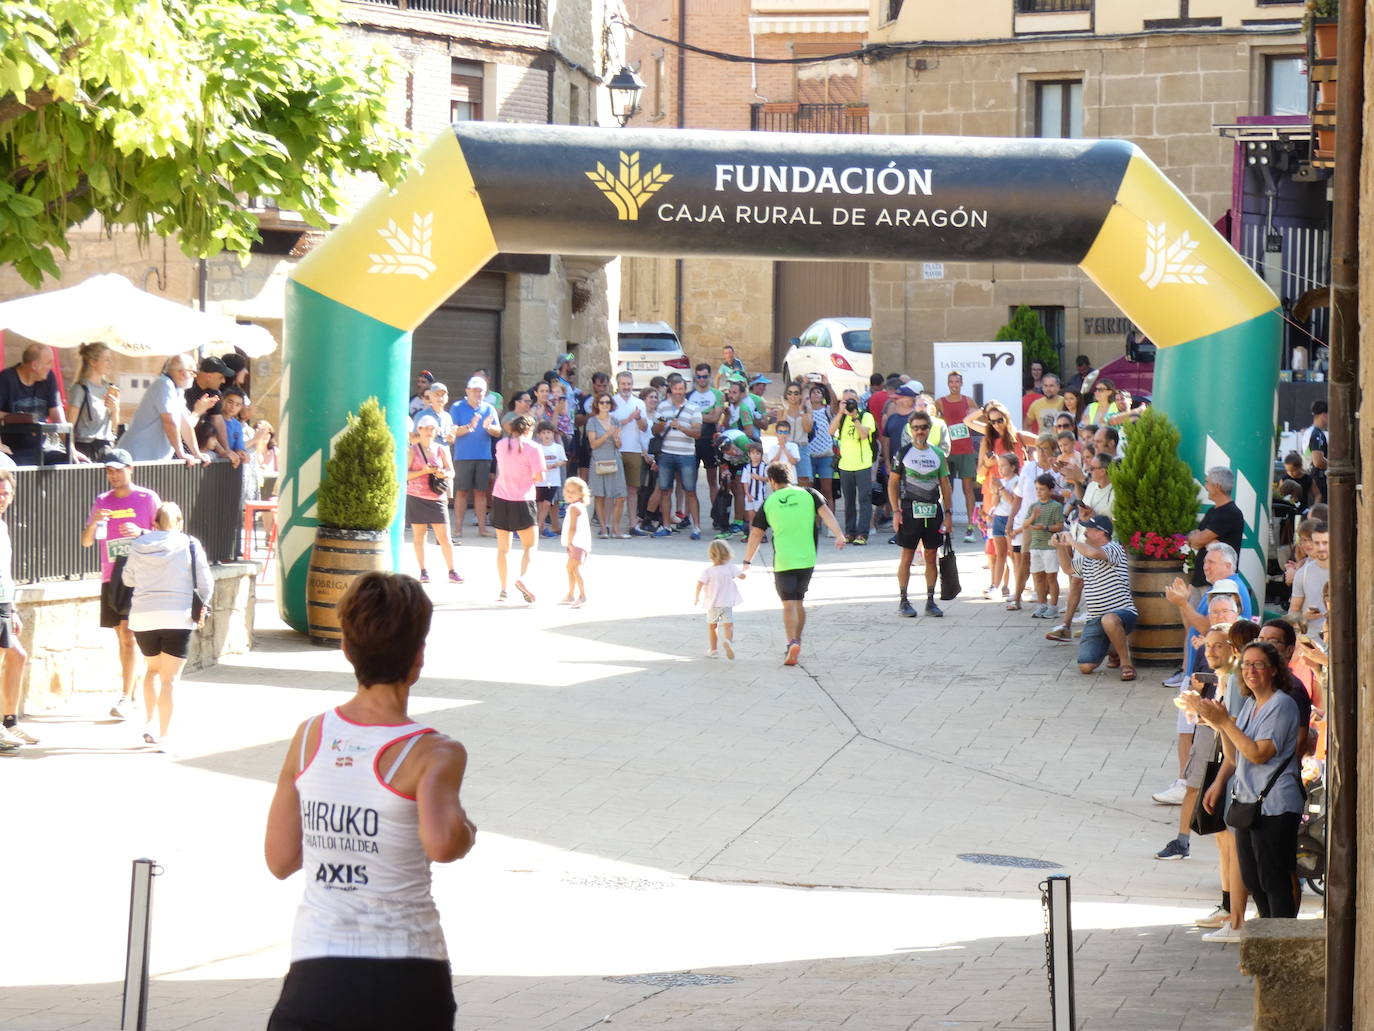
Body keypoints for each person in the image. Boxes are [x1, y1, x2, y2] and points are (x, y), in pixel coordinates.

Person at [264, 571, 475, 1031]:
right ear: (419, 657)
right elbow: (443, 845)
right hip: (407, 971)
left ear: (346, 649)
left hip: (316, 971)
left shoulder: (310, 737)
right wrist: (465, 829)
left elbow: (280, 860)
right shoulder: (434, 751)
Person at [1186, 640, 1305, 920]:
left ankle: (1281, 944)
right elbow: (1235, 755)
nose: (1251, 670)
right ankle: (1268, 939)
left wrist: (1226, 723)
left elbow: (1258, 754)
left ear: (1274, 670)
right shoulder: (1252, 704)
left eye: (1259, 664)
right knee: (1254, 880)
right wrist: (1218, 722)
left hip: (1275, 805)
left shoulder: (1282, 705)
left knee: (1273, 880)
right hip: (1251, 804)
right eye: (1247, 664)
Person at [121, 502, 212, 752]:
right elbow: (205, 582)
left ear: (154, 523)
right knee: (169, 679)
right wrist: (204, 605)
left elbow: (128, 578)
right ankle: (164, 737)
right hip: (178, 617)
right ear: (180, 523)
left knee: (152, 671)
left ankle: (149, 724)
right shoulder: (190, 543)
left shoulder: (139, 544)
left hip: (143, 617)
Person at [80, 449, 161, 719]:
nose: (113, 476)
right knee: (123, 637)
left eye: (118, 470)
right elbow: (86, 542)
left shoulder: (146, 498)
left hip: (140, 574)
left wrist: (142, 533)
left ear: (131, 469)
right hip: (112, 575)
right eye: (109, 471)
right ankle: (132, 689)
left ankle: (126, 696)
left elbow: (165, 535)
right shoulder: (102, 500)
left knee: (129, 633)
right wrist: (95, 524)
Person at [741, 462, 845, 667]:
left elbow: (756, 533)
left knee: (788, 603)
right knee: (799, 600)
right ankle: (798, 640)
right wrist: (839, 534)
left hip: (784, 560)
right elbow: (826, 514)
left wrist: (747, 561)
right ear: (790, 477)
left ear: (771, 481)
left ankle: (792, 643)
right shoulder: (810, 494)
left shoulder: (770, 502)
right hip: (807, 558)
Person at [1053, 514, 1137, 681]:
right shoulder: (1086, 556)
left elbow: (1095, 554)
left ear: (1101, 532)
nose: (1085, 533)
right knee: (1085, 667)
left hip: (1123, 613)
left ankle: (1126, 663)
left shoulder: (1114, 549)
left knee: (1109, 620)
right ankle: (1112, 649)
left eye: (1089, 529)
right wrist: (1060, 547)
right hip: (1094, 619)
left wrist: (1071, 541)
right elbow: (1068, 569)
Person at [888, 409, 953, 618]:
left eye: (923, 427)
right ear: (911, 429)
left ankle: (931, 601)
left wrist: (949, 513)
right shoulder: (903, 453)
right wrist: (896, 511)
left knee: (931, 555)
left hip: (933, 508)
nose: (920, 431)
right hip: (909, 509)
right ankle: (903, 600)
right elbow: (893, 483)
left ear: (929, 429)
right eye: (916, 428)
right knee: (907, 555)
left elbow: (946, 485)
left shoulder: (938, 454)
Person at [1046, 452, 1115, 642]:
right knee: (1076, 580)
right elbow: (1084, 502)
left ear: (1104, 470)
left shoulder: (1115, 490)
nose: (1090, 471)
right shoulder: (1092, 486)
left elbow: (1110, 520)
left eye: (1093, 469)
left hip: (1103, 545)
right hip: (1083, 538)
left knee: (1099, 586)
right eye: (1089, 468)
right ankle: (1066, 625)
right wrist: (1084, 509)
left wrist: (1093, 516)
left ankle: (1093, 627)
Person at [117, 353, 214, 464]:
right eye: (193, 372)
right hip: (135, 457)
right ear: (183, 372)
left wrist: (196, 453)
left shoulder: (177, 390)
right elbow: (169, 421)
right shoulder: (164, 384)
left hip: (150, 459)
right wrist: (181, 453)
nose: (195, 376)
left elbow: (185, 425)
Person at [490, 415, 543, 604]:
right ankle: (524, 578)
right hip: (523, 499)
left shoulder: (501, 444)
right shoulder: (534, 448)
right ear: (529, 430)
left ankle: (503, 590)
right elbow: (539, 477)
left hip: (501, 498)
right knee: (530, 545)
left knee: (503, 548)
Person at [0, 471, 33, 750]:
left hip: (3, 603)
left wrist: (12, 609)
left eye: (5, 493)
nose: (2, 498)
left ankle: (9, 722)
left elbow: (5, 573)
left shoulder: (3, 526)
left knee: (18, 657)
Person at [405, 420, 460, 586]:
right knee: (419, 536)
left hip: (437, 497)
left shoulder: (441, 449)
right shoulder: (412, 450)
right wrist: (424, 471)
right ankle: (423, 570)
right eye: (426, 428)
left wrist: (444, 473)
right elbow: (405, 475)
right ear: (419, 430)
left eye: (432, 429)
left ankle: (452, 570)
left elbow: (452, 472)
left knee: (444, 537)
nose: (429, 432)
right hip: (416, 496)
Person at [449, 377, 501, 540]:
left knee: (481, 493)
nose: (478, 393)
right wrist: (469, 427)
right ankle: (457, 528)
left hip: (483, 456)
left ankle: (482, 529)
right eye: (475, 390)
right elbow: (451, 432)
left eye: (481, 391)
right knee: (462, 492)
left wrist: (488, 427)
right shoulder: (457, 407)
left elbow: (498, 432)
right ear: (467, 391)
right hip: (463, 457)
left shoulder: (489, 408)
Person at [652, 376, 703, 540]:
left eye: (681, 389)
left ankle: (696, 528)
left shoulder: (693, 408)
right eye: (676, 389)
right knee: (665, 490)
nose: (678, 392)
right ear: (671, 390)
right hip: (666, 453)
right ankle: (666, 526)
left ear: (685, 389)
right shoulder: (663, 407)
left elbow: (697, 433)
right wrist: (663, 424)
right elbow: (655, 430)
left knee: (690, 491)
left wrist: (680, 427)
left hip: (686, 454)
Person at [0, 343, 63, 466]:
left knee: (69, 461)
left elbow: (57, 414)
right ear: (35, 365)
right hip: (15, 449)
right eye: (49, 362)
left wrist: (71, 449)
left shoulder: (49, 378)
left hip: (43, 446)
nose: (51, 367)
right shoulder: (6, 379)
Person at [935, 371, 979, 543]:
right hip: (948, 451)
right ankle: (949, 525)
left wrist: (972, 415)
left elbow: (979, 418)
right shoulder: (940, 402)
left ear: (961, 384)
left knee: (968, 489)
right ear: (948, 384)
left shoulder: (968, 401)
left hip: (965, 450)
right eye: (951, 381)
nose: (954, 384)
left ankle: (970, 527)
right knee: (947, 489)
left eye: (957, 381)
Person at [832, 389, 876, 545]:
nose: (849, 404)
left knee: (864, 499)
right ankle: (850, 531)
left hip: (863, 464)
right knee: (849, 501)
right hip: (845, 465)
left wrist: (854, 417)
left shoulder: (866, 416)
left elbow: (864, 434)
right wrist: (840, 413)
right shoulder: (842, 418)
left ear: (858, 401)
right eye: (845, 401)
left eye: (851, 401)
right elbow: (831, 431)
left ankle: (862, 533)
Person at [66, 341, 121, 462]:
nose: (110, 364)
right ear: (93, 362)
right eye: (106, 360)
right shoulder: (80, 389)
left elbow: (114, 427)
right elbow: (69, 425)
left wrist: (115, 410)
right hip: (85, 446)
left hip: (106, 445)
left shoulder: (111, 388)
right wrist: (72, 449)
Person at [586, 394, 628, 539]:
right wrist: (607, 435)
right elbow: (593, 444)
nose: (605, 405)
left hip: (614, 460)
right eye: (602, 402)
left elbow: (619, 444)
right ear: (597, 404)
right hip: (598, 460)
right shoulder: (592, 421)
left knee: (621, 495)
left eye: (608, 402)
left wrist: (616, 438)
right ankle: (604, 528)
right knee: (600, 496)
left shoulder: (615, 420)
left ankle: (616, 528)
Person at [696, 539, 744, 660]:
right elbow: (742, 576)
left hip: (713, 604)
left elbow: (700, 583)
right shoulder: (730, 567)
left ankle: (713, 650)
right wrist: (745, 570)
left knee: (713, 626)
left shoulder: (708, 571)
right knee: (728, 625)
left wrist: (696, 596)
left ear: (711, 555)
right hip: (727, 603)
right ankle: (728, 641)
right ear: (727, 553)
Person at [1025, 473, 1065, 619]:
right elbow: (1025, 524)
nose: (1038, 492)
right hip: (1035, 546)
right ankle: (1041, 604)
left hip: (1049, 547)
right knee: (1037, 577)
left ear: (1050, 490)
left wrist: (1045, 527)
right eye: (1037, 489)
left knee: (1051, 578)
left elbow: (1059, 526)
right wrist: (1033, 518)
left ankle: (1053, 606)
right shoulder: (1033, 506)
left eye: (1042, 489)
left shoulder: (1056, 506)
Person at [610, 372, 649, 509]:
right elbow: (608, 427)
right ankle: (612, 526)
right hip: (616, 449)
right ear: (618, 385)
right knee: (615, 490)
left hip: (634, 449)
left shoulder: (639, 403)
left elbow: (644, 428)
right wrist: (628, 419)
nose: (626, 387)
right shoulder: (611, 402)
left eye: (629, 384)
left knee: (633, 490)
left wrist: (638, 419)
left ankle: (632, 524)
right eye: (623, 384)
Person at [687, 363, 725, 503]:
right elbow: (686, 418)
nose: (702, 379)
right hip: (692, 442)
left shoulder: (718, 394)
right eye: (699, 376)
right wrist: (706, 414)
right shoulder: (689, 395)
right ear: (695, 377)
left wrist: (696, 415)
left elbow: (715, 418)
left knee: (712, 481)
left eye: (705, 376)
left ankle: (715, 513)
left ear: (710, 376)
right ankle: (686, 516)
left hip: (710, 441)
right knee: (690, 483)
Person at [986, 452, 1020, 601]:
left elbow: (1013, 501)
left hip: (1011, 519)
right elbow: (995, 503)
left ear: (1013, 467)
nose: (1000, 469)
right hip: (999, 518)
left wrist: (1000, 489)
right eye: (999, 466)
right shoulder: (1001, 481)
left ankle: (1016, 587)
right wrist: (995, 491)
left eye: (1004, 465)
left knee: (1013, 555)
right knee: (1000, 555)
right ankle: (996, 586)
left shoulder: (1017, 481)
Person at [184, 355, 234, 457]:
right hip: (183, 448)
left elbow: (218, 420)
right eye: (221, 377)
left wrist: (226, 450)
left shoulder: (215, 392)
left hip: (202, 449)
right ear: (209, 376)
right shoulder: (186, 389)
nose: (224, 381)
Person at [1288, 521, 1329, 637]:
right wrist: (1304, 617)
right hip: (1311, 640)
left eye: (1310, 540)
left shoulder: (1341, 568)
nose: (1307, 544)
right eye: (1303, 540)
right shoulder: (1302, 572)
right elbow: (1293, 611)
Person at [805, 383, 837, 510]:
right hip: (809, 455)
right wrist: (805, 385)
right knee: (810, 490)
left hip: (826, 455)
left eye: (818, 392)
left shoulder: (827, 410)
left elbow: (835, 403)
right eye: (813, 392)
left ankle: (830, 524)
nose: (815, 394)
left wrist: (828, 385)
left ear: (823, 396)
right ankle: (813, 523)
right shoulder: (806, 411)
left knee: (827, 489)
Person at [560, 476, 590, 608]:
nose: (570, 494)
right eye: (568, 491)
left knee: (576, 569)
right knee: (570, 568)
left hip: (576, 543)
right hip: (579, 543)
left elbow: (572, 527)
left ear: (581, 493)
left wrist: (569, 541)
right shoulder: (578, 506)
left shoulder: (574, 508)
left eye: (574, 492)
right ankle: (570, 594)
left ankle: (582, 595)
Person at [535, 422, 566, 538]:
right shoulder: (537, 448)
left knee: (547, 503)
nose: (546, 435)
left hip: (553, 480)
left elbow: (564, 460)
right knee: (539, 504)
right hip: (540, 480)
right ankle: (541, 527)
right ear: (539, 435)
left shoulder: (558, 448)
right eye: (543, 433)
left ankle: (538, 527)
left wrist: (558, 463)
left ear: (553, 434)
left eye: (548, 432)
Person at [1301, 400, 1328, 503]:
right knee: (1320, 512)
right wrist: (1334, 466)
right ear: (1324, 415)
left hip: (1310, 476)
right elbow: (1318, 461)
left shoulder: (1309, 431)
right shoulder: (1317, 434)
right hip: (1318, 479)